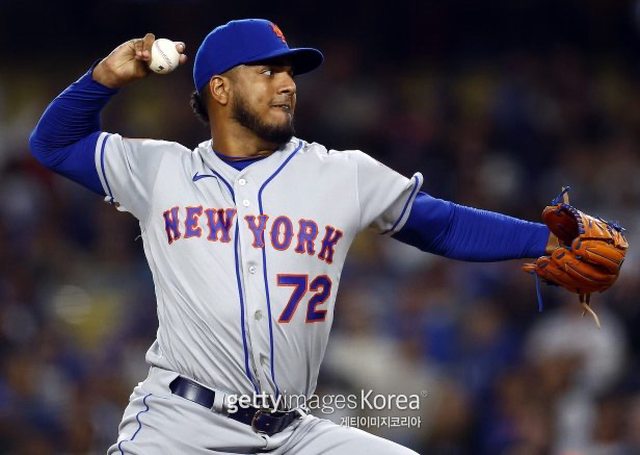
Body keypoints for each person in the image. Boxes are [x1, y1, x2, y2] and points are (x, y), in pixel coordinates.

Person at [30, 18, 557, 454]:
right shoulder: (160, 171)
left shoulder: (341, 174)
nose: (287, 84)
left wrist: (547, 241)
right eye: (267, 71)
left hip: (291, 433)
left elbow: (443, 224)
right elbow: (53, 145)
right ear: (220, 89)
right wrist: (103, 78)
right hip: (179, 426)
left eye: (289, 71)